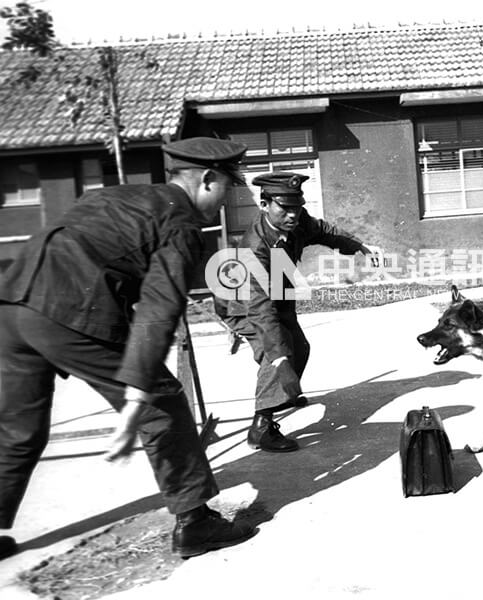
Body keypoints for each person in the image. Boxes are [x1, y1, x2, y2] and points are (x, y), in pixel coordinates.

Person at [0, 137, 256, 561]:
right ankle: (195, 522)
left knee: (15, 428)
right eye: (229, 187)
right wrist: (137, 391)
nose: (227, 201)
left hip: (11, 302)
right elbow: (159, 306)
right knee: (162, 403)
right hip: (67, 306)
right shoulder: (181, 223)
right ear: (208, 179)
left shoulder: (125, 194)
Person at [217, 172, 381, 453]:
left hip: (278, 292)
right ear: (265, 204)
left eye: (297, 207)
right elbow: (260, 309)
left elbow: (324, 231)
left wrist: (357, 247)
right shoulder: (254, 248)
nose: (293, 215)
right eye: (285, 208)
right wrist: (281, 363)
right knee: (279, 351)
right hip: (242, 303)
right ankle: (261, 428)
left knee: (300, 347)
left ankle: (281, 394)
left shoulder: (296, 220)